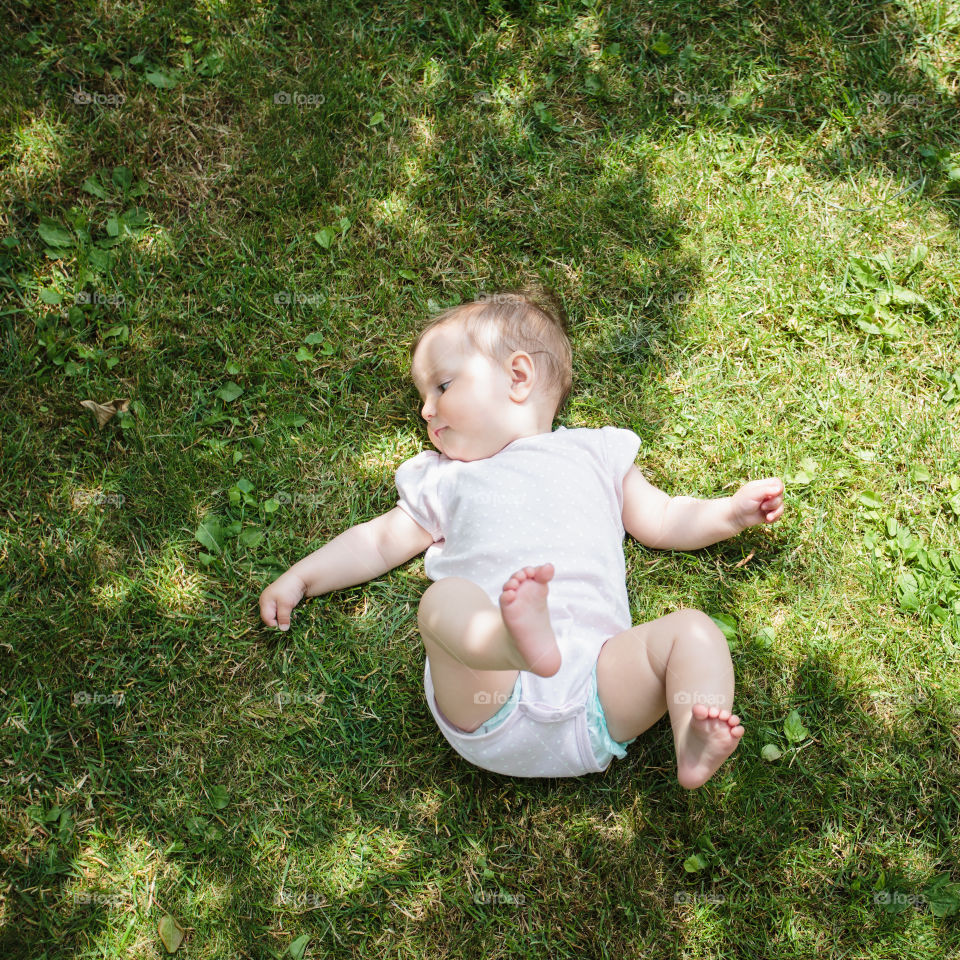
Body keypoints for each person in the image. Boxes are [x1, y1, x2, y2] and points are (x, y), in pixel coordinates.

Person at [259, 286, 785, 787]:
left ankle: (691, 735)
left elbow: (665, 519)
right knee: (446, 601)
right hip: (489, 697)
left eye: (441, 386)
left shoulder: (596, 454)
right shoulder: (443, 478)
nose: (426, 409)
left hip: (596, 693)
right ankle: (509, 642)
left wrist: (728, 514)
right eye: (424, 396)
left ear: (518, 376)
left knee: (694, 631)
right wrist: (304, 577)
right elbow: (376, 543)